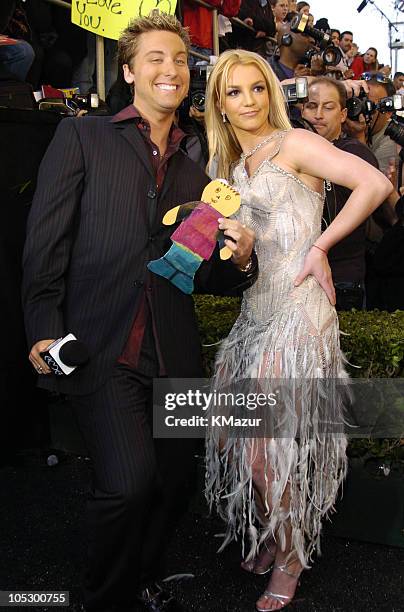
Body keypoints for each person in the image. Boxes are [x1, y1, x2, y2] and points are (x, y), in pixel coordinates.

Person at [22, 12, 257, 612]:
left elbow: (202, 275)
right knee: (127, 485)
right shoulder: (84, 137)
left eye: (179, 59)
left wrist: (241, 259)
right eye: (155, 57)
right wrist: (43, 331)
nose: (169, 69)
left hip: (173, 351)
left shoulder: (196, 172)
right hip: (101, 345)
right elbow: (46, 246)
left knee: (174, 483)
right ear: (129, 71)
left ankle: (144, 579)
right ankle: (100, 597)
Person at [204, 49, 392, 612]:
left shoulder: (296, 144)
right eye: (234, 92)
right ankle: (269, 532)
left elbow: (375, 183)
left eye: (257, 88)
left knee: (265, 450)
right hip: (254, 312)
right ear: (219, 102)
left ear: (271, 93)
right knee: (234, 437)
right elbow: (242, 255)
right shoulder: (229, 167)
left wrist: (319, 246)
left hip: (299, 309)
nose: (248, 101)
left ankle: (291, 554)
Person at [301, 76, 379, 310]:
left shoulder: (355, 153)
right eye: (312, 106)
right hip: (302, 273)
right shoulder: (291, 152)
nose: (318, 114)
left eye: (328, 106)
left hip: (343, 277)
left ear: (343, 114)